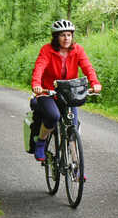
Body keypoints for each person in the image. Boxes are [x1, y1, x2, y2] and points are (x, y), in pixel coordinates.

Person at [30, 19, 102, 161]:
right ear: (56, 37)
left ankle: (76, 166)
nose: (66, 38)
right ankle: (41, 141)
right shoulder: (47, 50)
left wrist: (95, 83)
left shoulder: (77, 50)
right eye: (62, 35)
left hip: (69, 93)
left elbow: (88, 67)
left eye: (69, 35)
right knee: (53, 116)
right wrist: (36, 84)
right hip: (48, 92)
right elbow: (39, 67)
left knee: (72, 128)